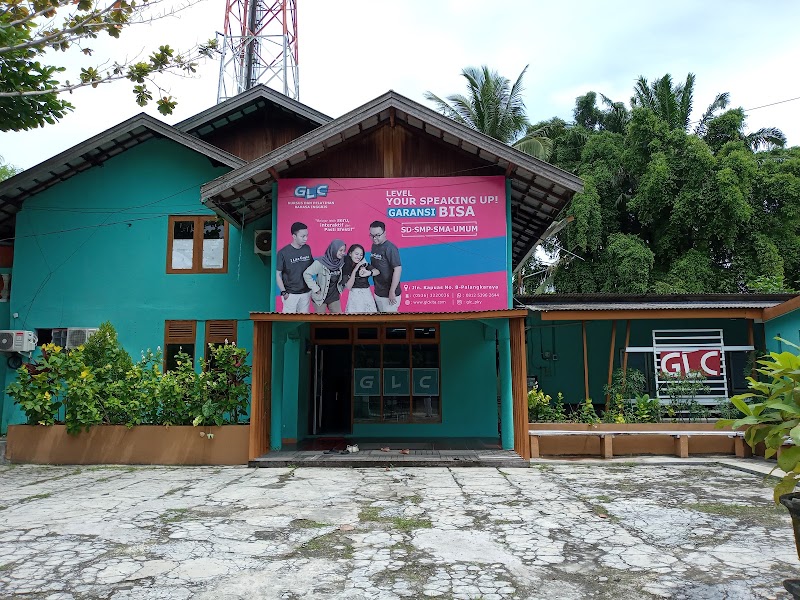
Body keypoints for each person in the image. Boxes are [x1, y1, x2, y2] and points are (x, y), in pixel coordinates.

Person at [275, 222, 313, 313]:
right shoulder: (283, 253)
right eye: (302, 236)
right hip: (290, 294)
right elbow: (278, 274)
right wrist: (284, 292)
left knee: (303, 322)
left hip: (306, 293)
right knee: (288, 322)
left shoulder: (307, 248)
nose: (305, 239)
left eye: (307, 236)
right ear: (294, 236)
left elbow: (312, 268)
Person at [303, 239, 347, 313]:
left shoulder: (342, 262)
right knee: (320, 322)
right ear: (334, 249)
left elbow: (356, 257)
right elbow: (306, 274)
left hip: (334, 297)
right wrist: (315, 289)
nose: (343, 253)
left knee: (339, 321)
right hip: (320, 298)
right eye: (340, 250)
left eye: (344, 250)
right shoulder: (320, 262)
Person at [369, 220, 402, 312]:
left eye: (378, 235)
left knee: (391, 323)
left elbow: (398, 269)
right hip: (378, 291)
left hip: (389, 294)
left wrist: (392, 291)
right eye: (372, 235)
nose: (374, 238)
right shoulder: (374, 246)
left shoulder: (390, 248)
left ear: (385, 233)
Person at [342, 244, 378, 313]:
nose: (359, 257)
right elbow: (349, 286)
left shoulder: (364, 264)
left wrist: (369, 272)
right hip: (355, 295)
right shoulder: (346, 266)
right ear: (350, 253)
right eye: (356, 254)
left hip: (367, 294)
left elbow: (377, 271)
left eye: (361, 255)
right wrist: (355, 270)